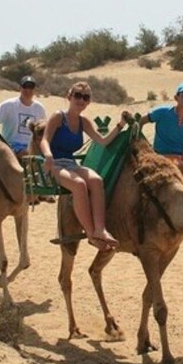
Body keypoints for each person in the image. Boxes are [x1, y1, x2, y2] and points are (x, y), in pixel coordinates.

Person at [40, 81, 125, 251]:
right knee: (79, 184)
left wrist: (120, 125)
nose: (81, 100)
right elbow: (44, 140)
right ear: (69, 97)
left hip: (71, 163)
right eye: (78, 95)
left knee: (96, 181)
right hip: (55, 164)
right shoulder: (58, 117)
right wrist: (48, 155)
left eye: (85, 97)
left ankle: (101, 229)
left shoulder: (83, 122)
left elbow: (102, 141)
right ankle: (91, 233)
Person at [139, 81, 183, 185]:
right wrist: (140, 139)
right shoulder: (163, 112)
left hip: (180, 156)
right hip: (160, 155)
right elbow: (142, 121)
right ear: (176, 98)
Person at [0, 75, 46, 157]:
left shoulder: (39, 108)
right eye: (25, 87)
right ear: (20, 88)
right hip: (11, 146)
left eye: (31, 87)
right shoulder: (9, 105)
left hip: (32, 147)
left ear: (35, 89)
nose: (28, 90)